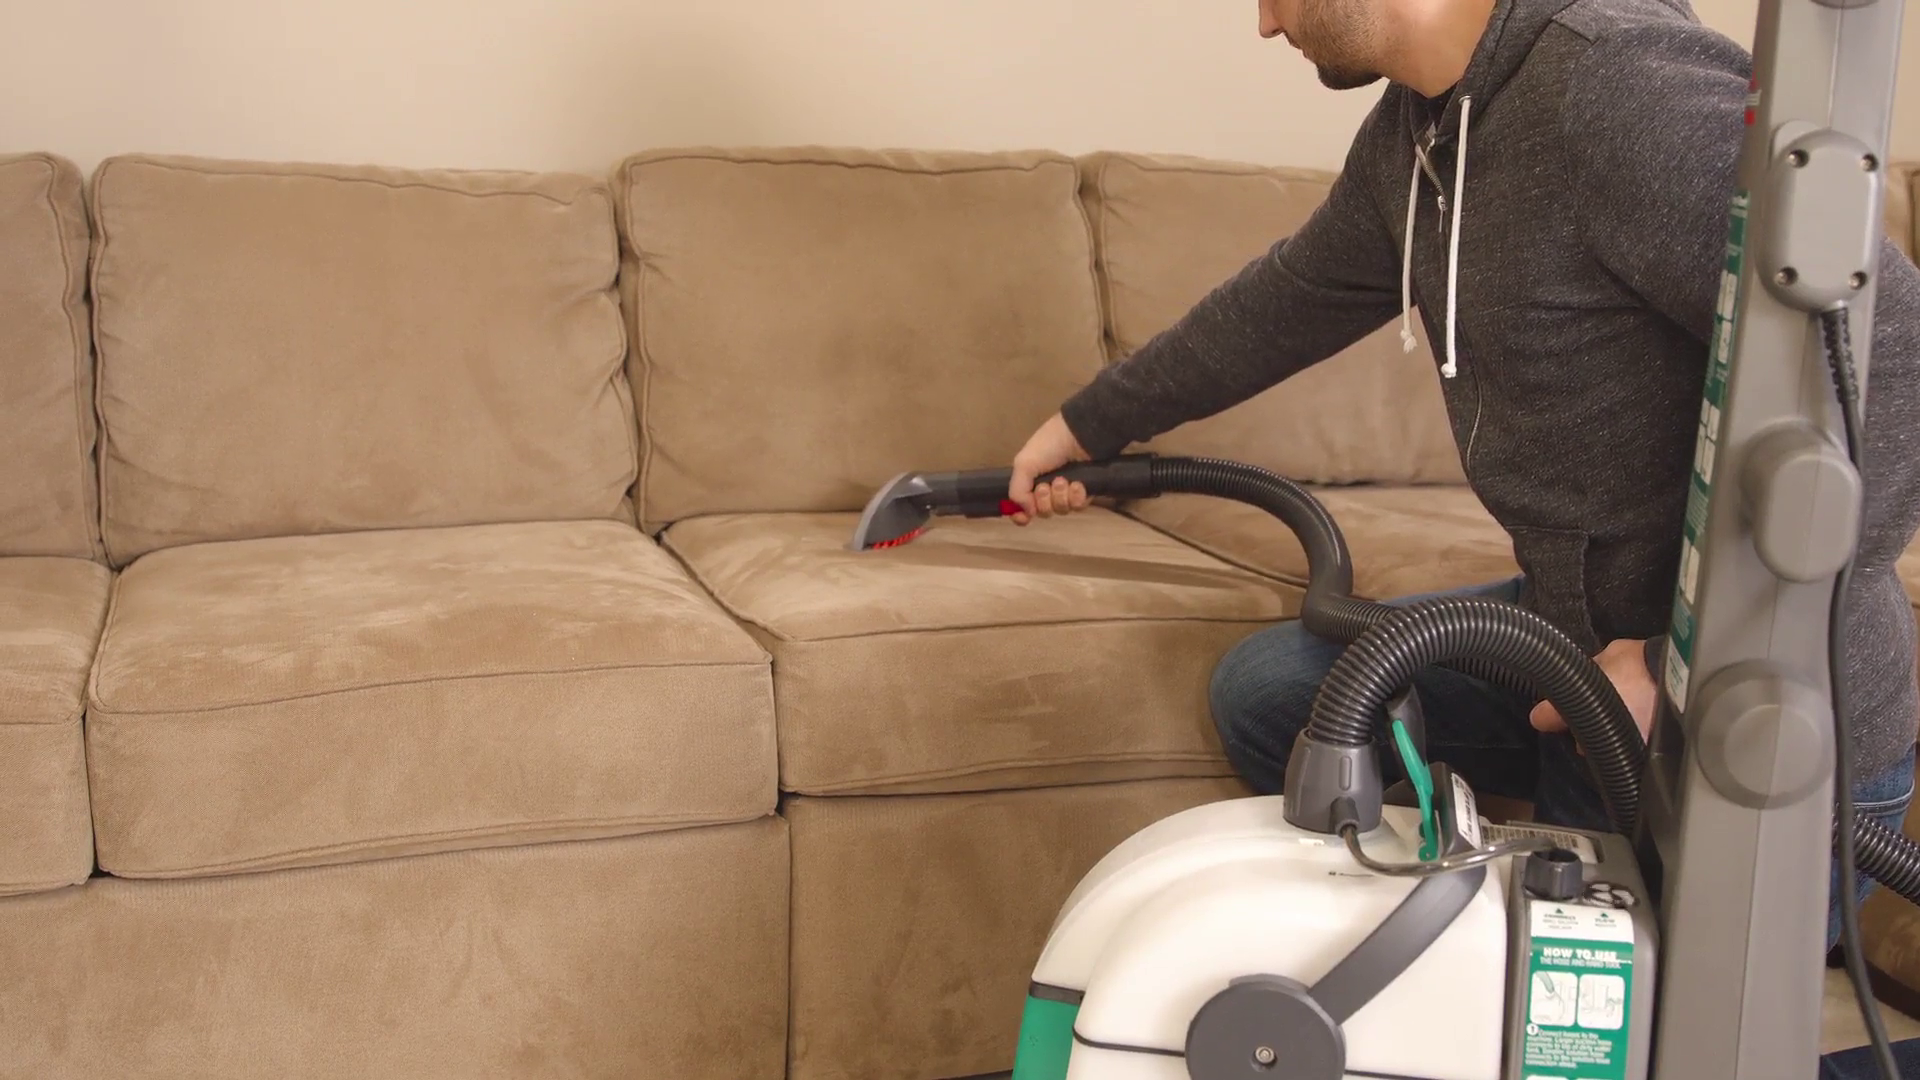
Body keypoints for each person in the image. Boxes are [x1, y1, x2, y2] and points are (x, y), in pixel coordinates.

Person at [1006, 0, 1920, 982]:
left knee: (1593, 1033)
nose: (1266, 27)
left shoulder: (1616, 86)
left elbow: (1894, 355)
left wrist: (1686, 661)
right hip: (1573, 649)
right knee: (1276, 694)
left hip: (1750, 710)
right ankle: (1460, 944)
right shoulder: (1423, 127)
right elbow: (1288, 298)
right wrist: (1085, 428)